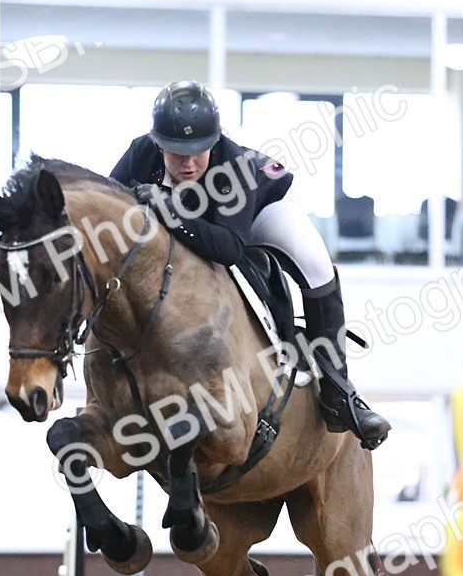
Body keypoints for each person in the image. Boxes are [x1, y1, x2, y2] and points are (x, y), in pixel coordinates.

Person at [110, 81, 390, 449]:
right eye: (177, 152)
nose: (189, 162)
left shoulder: (236, 167)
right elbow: (111, 213)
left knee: (315, 264)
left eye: (199, 150)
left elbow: (228, 247)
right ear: (158, 143)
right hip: (201, 219)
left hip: (256, 213)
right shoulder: (140, 153)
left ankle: (339, 392)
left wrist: (171, 213)